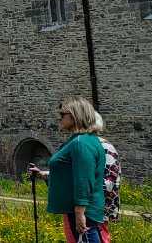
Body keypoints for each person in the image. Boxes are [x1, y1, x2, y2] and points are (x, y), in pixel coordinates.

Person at [29, 96, 106, 243]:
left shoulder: (80, 143)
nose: (59, 118)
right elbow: (71, 173)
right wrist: (44, 175)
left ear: (74, 115)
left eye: (62, 115)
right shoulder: (81, 140)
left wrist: (79, 212)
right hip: (81, 210)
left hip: (84, 213)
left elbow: (84, 179)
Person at [90, 112, 120, 243]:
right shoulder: (87, 144)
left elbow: (109, 182)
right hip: (89, 206)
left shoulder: (104, 146)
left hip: (98, 207)